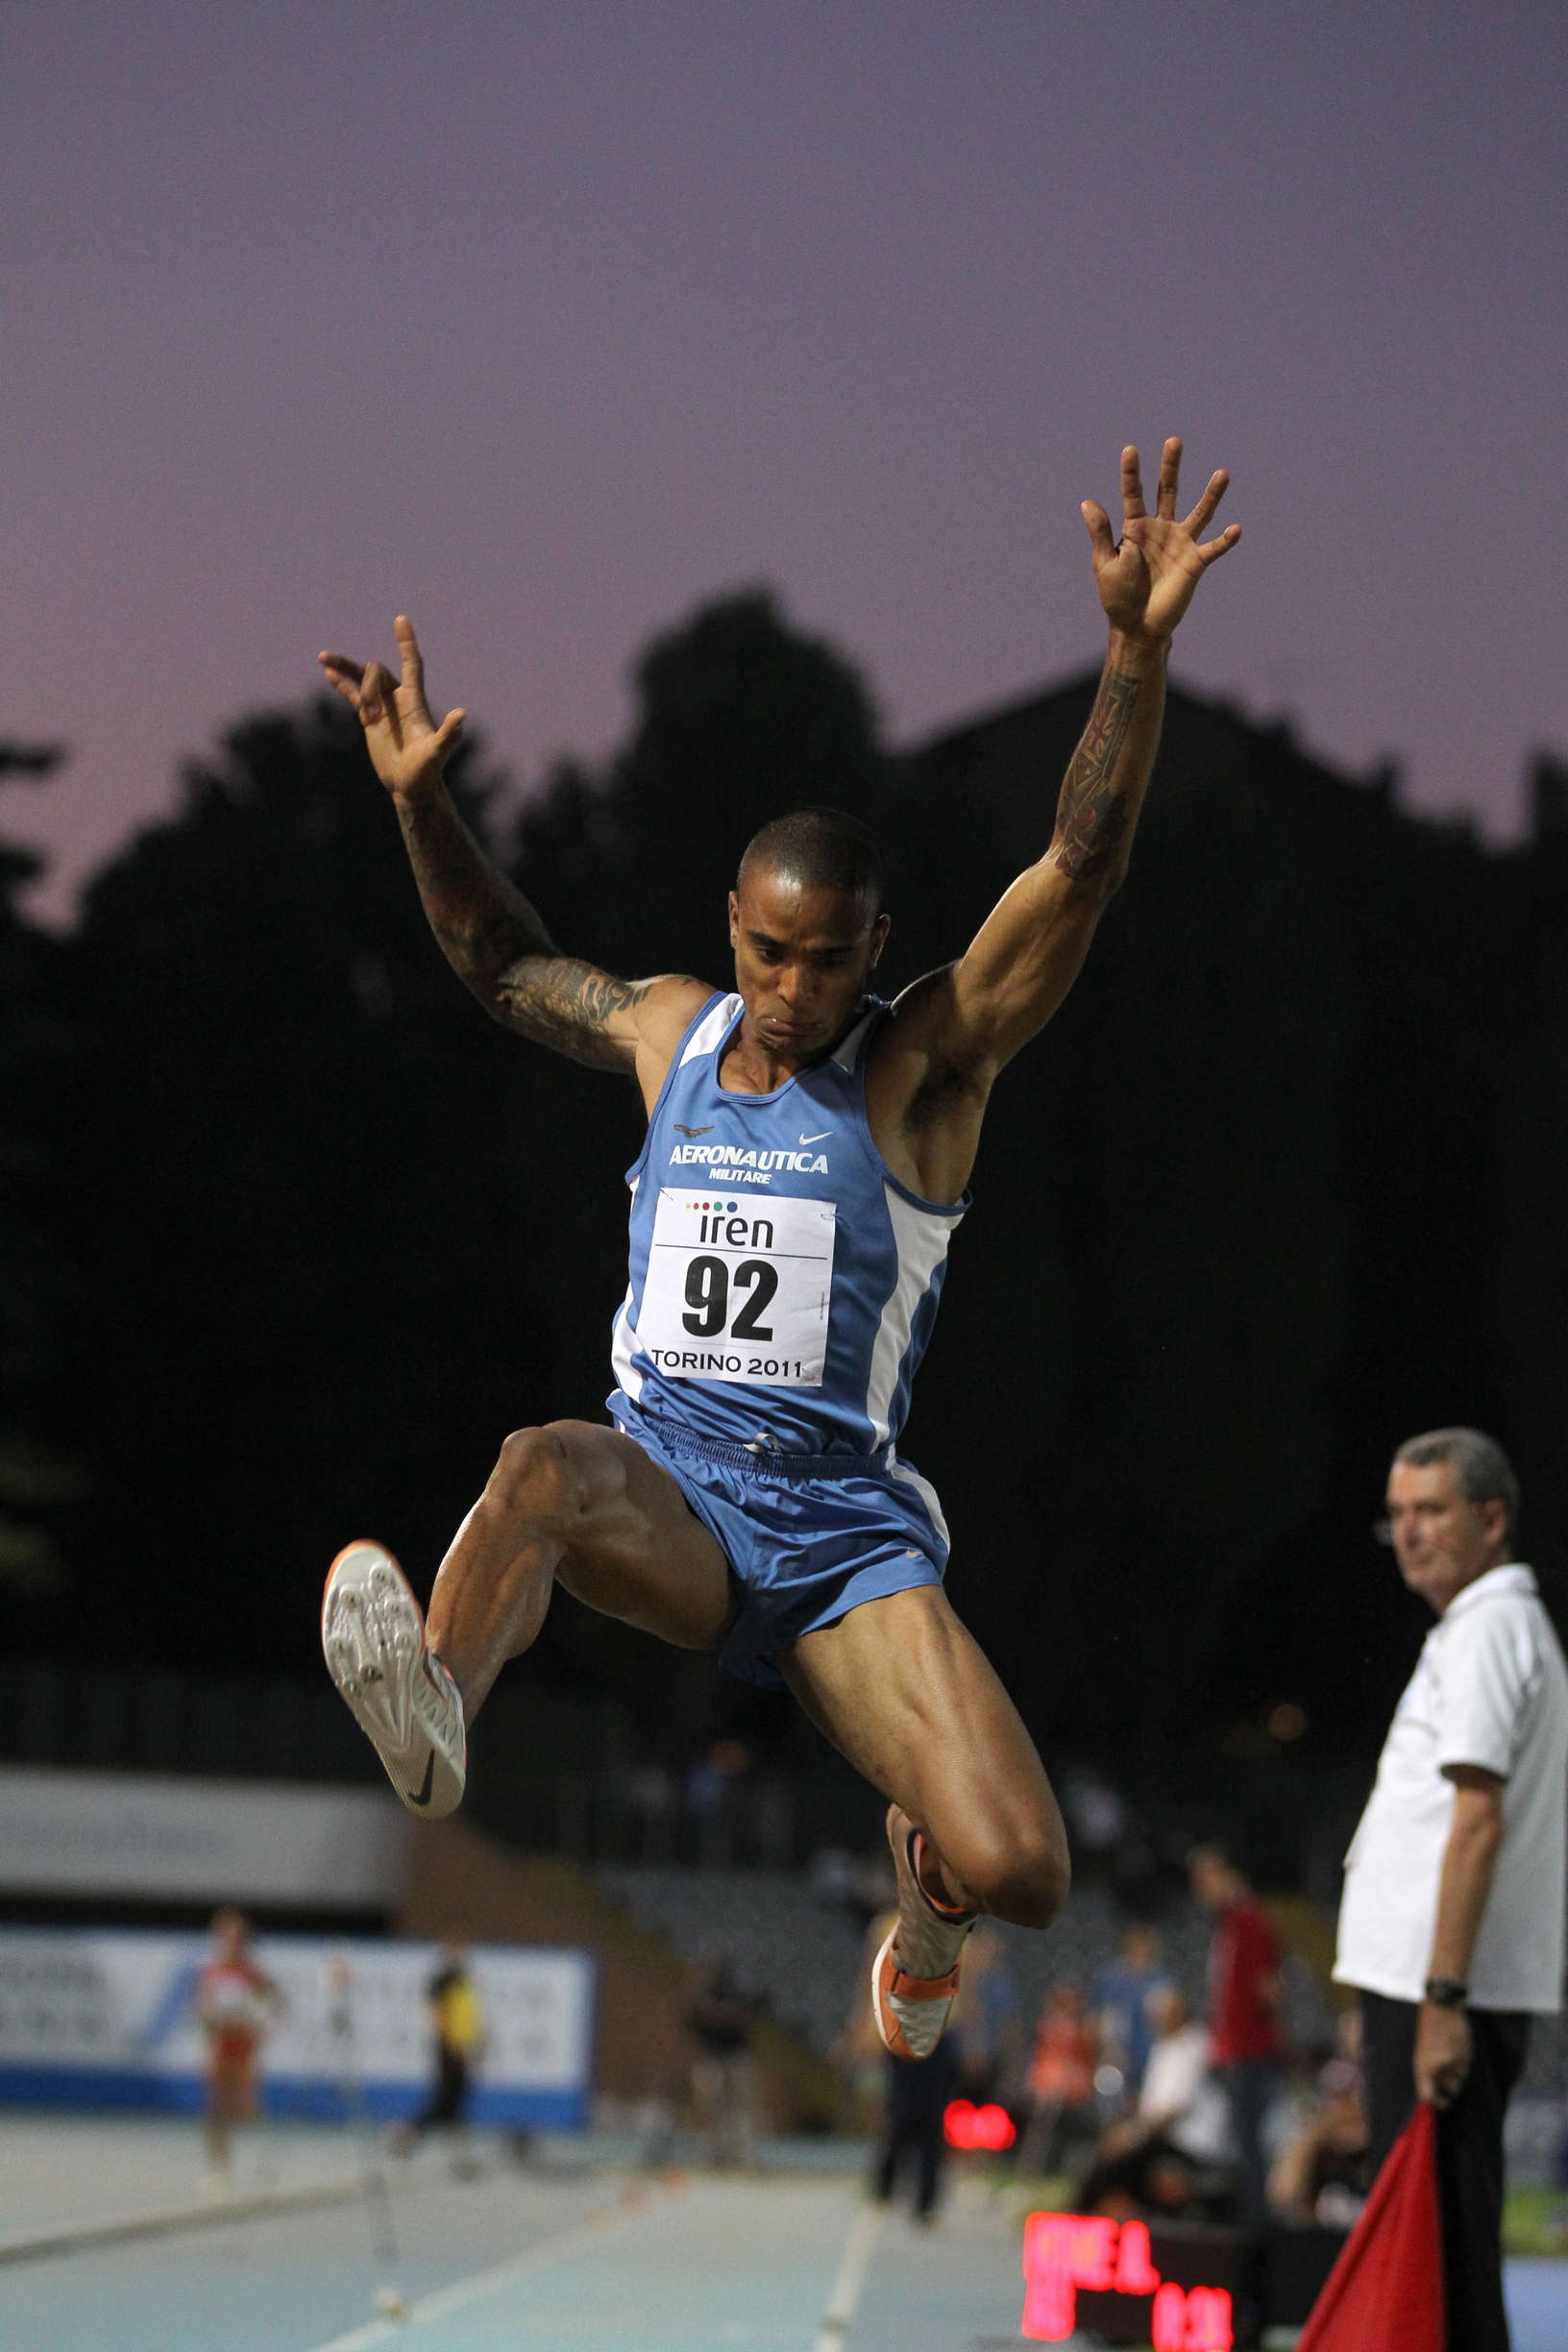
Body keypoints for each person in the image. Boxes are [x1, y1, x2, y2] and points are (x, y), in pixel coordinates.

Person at [317, 438, 1241, 2065]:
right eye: (766, 951)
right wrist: (421, 803)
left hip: (837, 1540)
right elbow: (508, 966)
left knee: (1026, 1868)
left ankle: (929, 1900)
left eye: (826, 960)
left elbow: (1077, 869)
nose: (794, 989)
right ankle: (436, 1708)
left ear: (875, 945)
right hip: (669, 1489)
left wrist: (1132, 653)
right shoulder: (668, 1032)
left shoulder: (918, 1071)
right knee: (539, 1463)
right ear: (730, 922)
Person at [1331, 1427, 1568, 2352]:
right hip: (1435, 1989)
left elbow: (1475, 1821)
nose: (1411, 1532)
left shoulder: (1488, 1630)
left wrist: (1441, 2000)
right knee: (1436, 2252)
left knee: (1441, 2262)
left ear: (1492, 1518)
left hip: (1443, 1993)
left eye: (1432, 1510)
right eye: (1397, 1515)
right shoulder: (1481, 1629)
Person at [1187, 1840, 1285, 2232]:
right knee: (1239, 2145)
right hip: (1235, 2050)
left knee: (1249, 2147)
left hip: (1250, 2050)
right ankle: (1246, 2223)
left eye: (1206, 1877)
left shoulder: (1250, 1922)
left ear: (1229, 1874)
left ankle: (1255, 2230)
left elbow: (1269, 1990)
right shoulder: (1229, 1924)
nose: (1201, 1889)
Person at [1074, 1985, 1231, 2220]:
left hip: (1192, 2143)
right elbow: (1153, 2103)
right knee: (1107, 2148)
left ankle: (1086, 2217)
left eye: (1162, 2013)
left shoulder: (1195, 2045)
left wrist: (1132, 2134)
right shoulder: (1163, 2048)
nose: (1156, 2019)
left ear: (1179, 2012)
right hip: (1162, 2136)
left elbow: (1173, 2111)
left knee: (1120, 2160)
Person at [193, 1907, 282, 2196]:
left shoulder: (250, 1973)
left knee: (246, 2111)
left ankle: (261, 2161)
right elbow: (201, 2009)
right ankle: (218, 2170)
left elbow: (276, 2000)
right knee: (215, 2110)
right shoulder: (212, 1971)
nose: (232, 1943)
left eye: (237, 1937)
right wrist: (208, 2019)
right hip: (220, 2045)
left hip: (244, 2046)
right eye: (226, 1937)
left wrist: (266, 2027)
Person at [393, 1934, 485, 2168]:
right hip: (449, 2047)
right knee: (445, 2100)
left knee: (455, 2101)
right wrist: (450, 2044)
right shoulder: (442, 1981)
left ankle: (457, 2154)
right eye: (457, 1951)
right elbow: (437, 2014)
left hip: (461, 2046)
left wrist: (474, 2043)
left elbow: (468, 2016)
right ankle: (406, 2133)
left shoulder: (463, 1980)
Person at [1091, 1921, 1174, 2103]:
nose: (1139, 1949)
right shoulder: (1112, 1979)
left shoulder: (1160, 1979)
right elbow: (1103, 2016)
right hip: (1117, 2056)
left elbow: (1168, 2019)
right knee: (1111, 2096)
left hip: (1150, 2055)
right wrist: (1108, 2048)